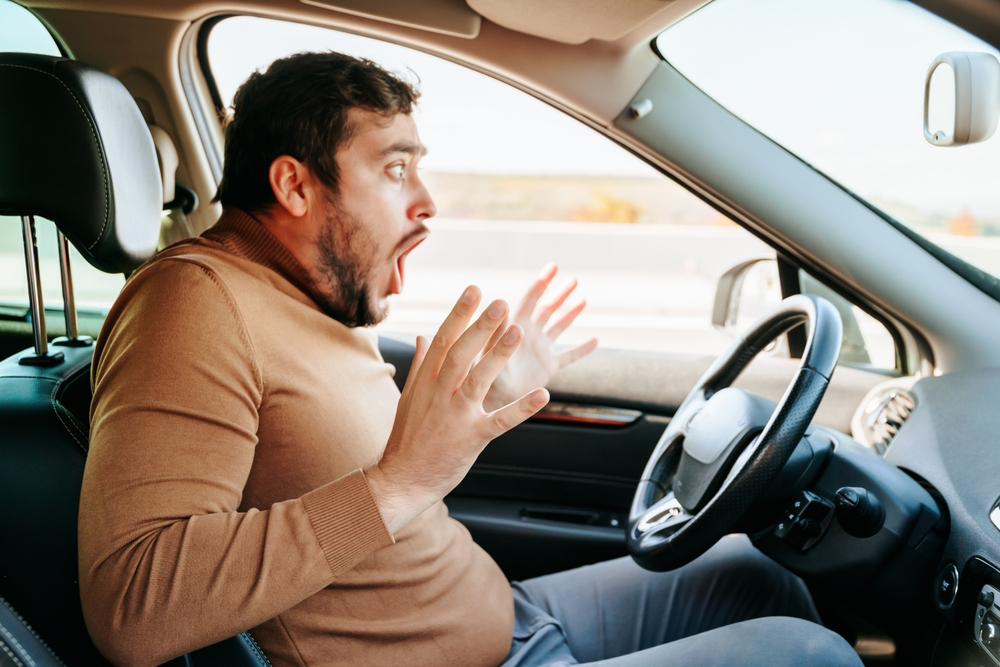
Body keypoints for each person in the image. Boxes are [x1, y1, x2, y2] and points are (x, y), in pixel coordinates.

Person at [78, 52, 862, 667]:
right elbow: (133, 605)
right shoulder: (194, 304)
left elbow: (346, 459)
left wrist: (491, 399)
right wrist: (397, 484)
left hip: (507, 615)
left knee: (755, 572)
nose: (426, 201)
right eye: (393, 169)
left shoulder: (317, 293)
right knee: (809, 656)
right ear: (294, 184)